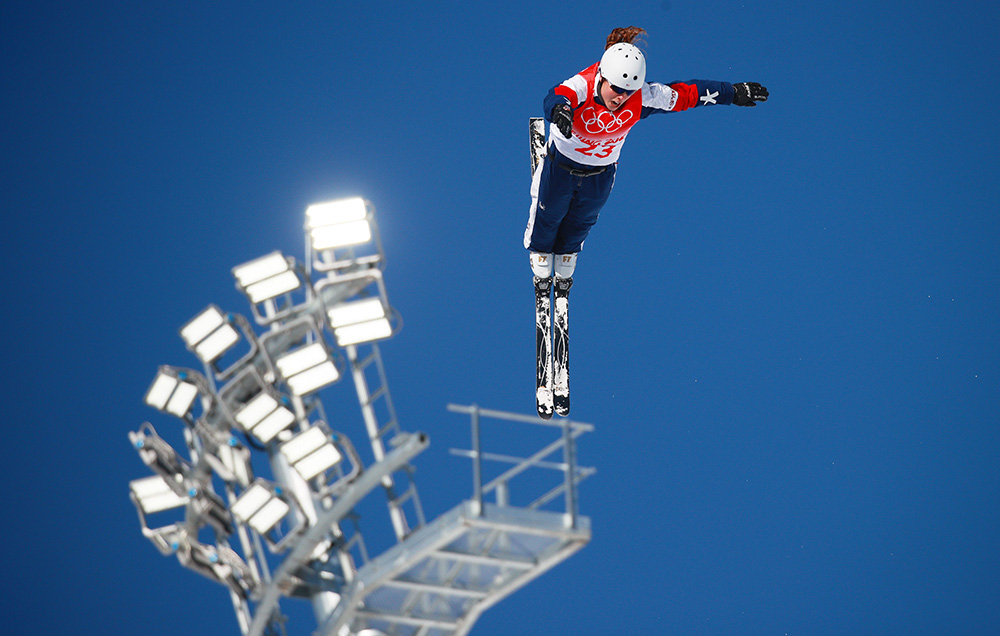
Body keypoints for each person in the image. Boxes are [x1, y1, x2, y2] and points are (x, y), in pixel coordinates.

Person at [523, 26, 768, 281]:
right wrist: (559, 111)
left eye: (628, 91)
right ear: (602, 78)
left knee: (585, 217)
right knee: (550, 211)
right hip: (562, 165)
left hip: (601, 172)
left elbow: (686, 95)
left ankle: (567, 251)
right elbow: (558, 95)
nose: (621, 97)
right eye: (617, 88)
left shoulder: (642, 97)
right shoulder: (581, 86)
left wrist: (733, 93)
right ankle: (540, 248)